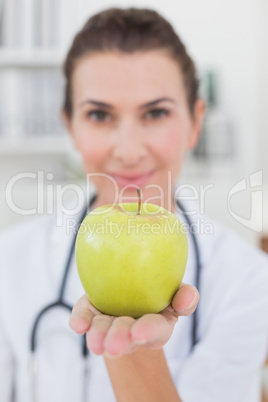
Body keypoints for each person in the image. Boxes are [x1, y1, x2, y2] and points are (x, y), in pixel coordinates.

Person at [0, 7, 268, 402]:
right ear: (70, 125)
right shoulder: (9, 260)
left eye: (156, 112)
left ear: (195, 122)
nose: (128, 151)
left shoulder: (249, 279)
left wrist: (137, 354)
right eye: (99, 114)